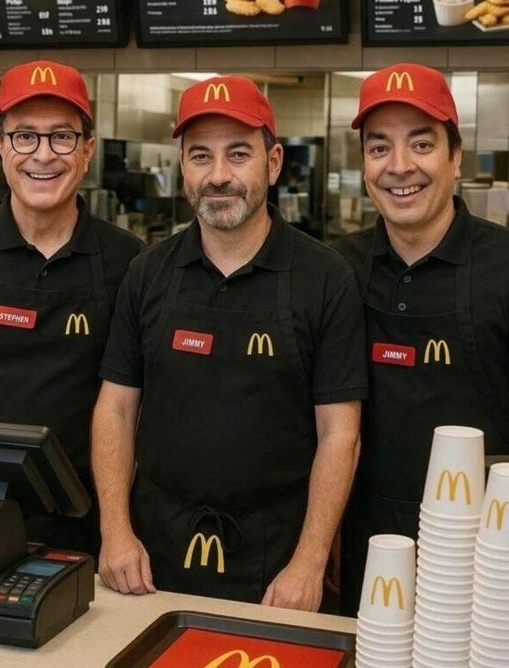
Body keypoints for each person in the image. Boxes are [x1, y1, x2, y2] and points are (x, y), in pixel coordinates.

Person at [91, 74, 367, 611]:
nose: (218, 175)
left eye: (238, 154)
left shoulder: (325, 278)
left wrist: (309, 562)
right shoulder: (147, 273)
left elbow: (340, 434)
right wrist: (116, 531)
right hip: (152, 553)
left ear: (273, 163)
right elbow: (116, 410)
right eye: (201, 156)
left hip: (277, 558)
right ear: (183, 167)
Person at [0, 59, 143, 557]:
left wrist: (119, 531)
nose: (43, 155)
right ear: (0, 147)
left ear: (88, 149)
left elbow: (137, 409)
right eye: (25, 136)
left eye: (62, 137)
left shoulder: (131, 264)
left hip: (83, 534)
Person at [332, 62, 509, 615]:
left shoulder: (504, 265)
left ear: (456, 157)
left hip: (486, 553)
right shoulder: (336, 270)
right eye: (379, 148)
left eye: (422, 144)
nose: (399, 166)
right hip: (362, 548)